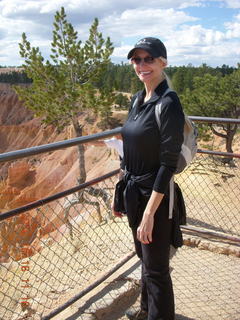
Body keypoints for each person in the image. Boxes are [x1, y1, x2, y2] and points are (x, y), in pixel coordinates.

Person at [112, 37, 185, 320]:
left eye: (148, 59)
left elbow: (168, 165)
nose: (141, 65)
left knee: (156, 271)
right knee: (145, 260)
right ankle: (145, 311)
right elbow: (128, 151)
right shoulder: (137, 99)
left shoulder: (168, 103)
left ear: (162, 62)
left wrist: (150, 214)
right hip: (134, 193)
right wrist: (121, 194)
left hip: (156, 197)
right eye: (136, 59)